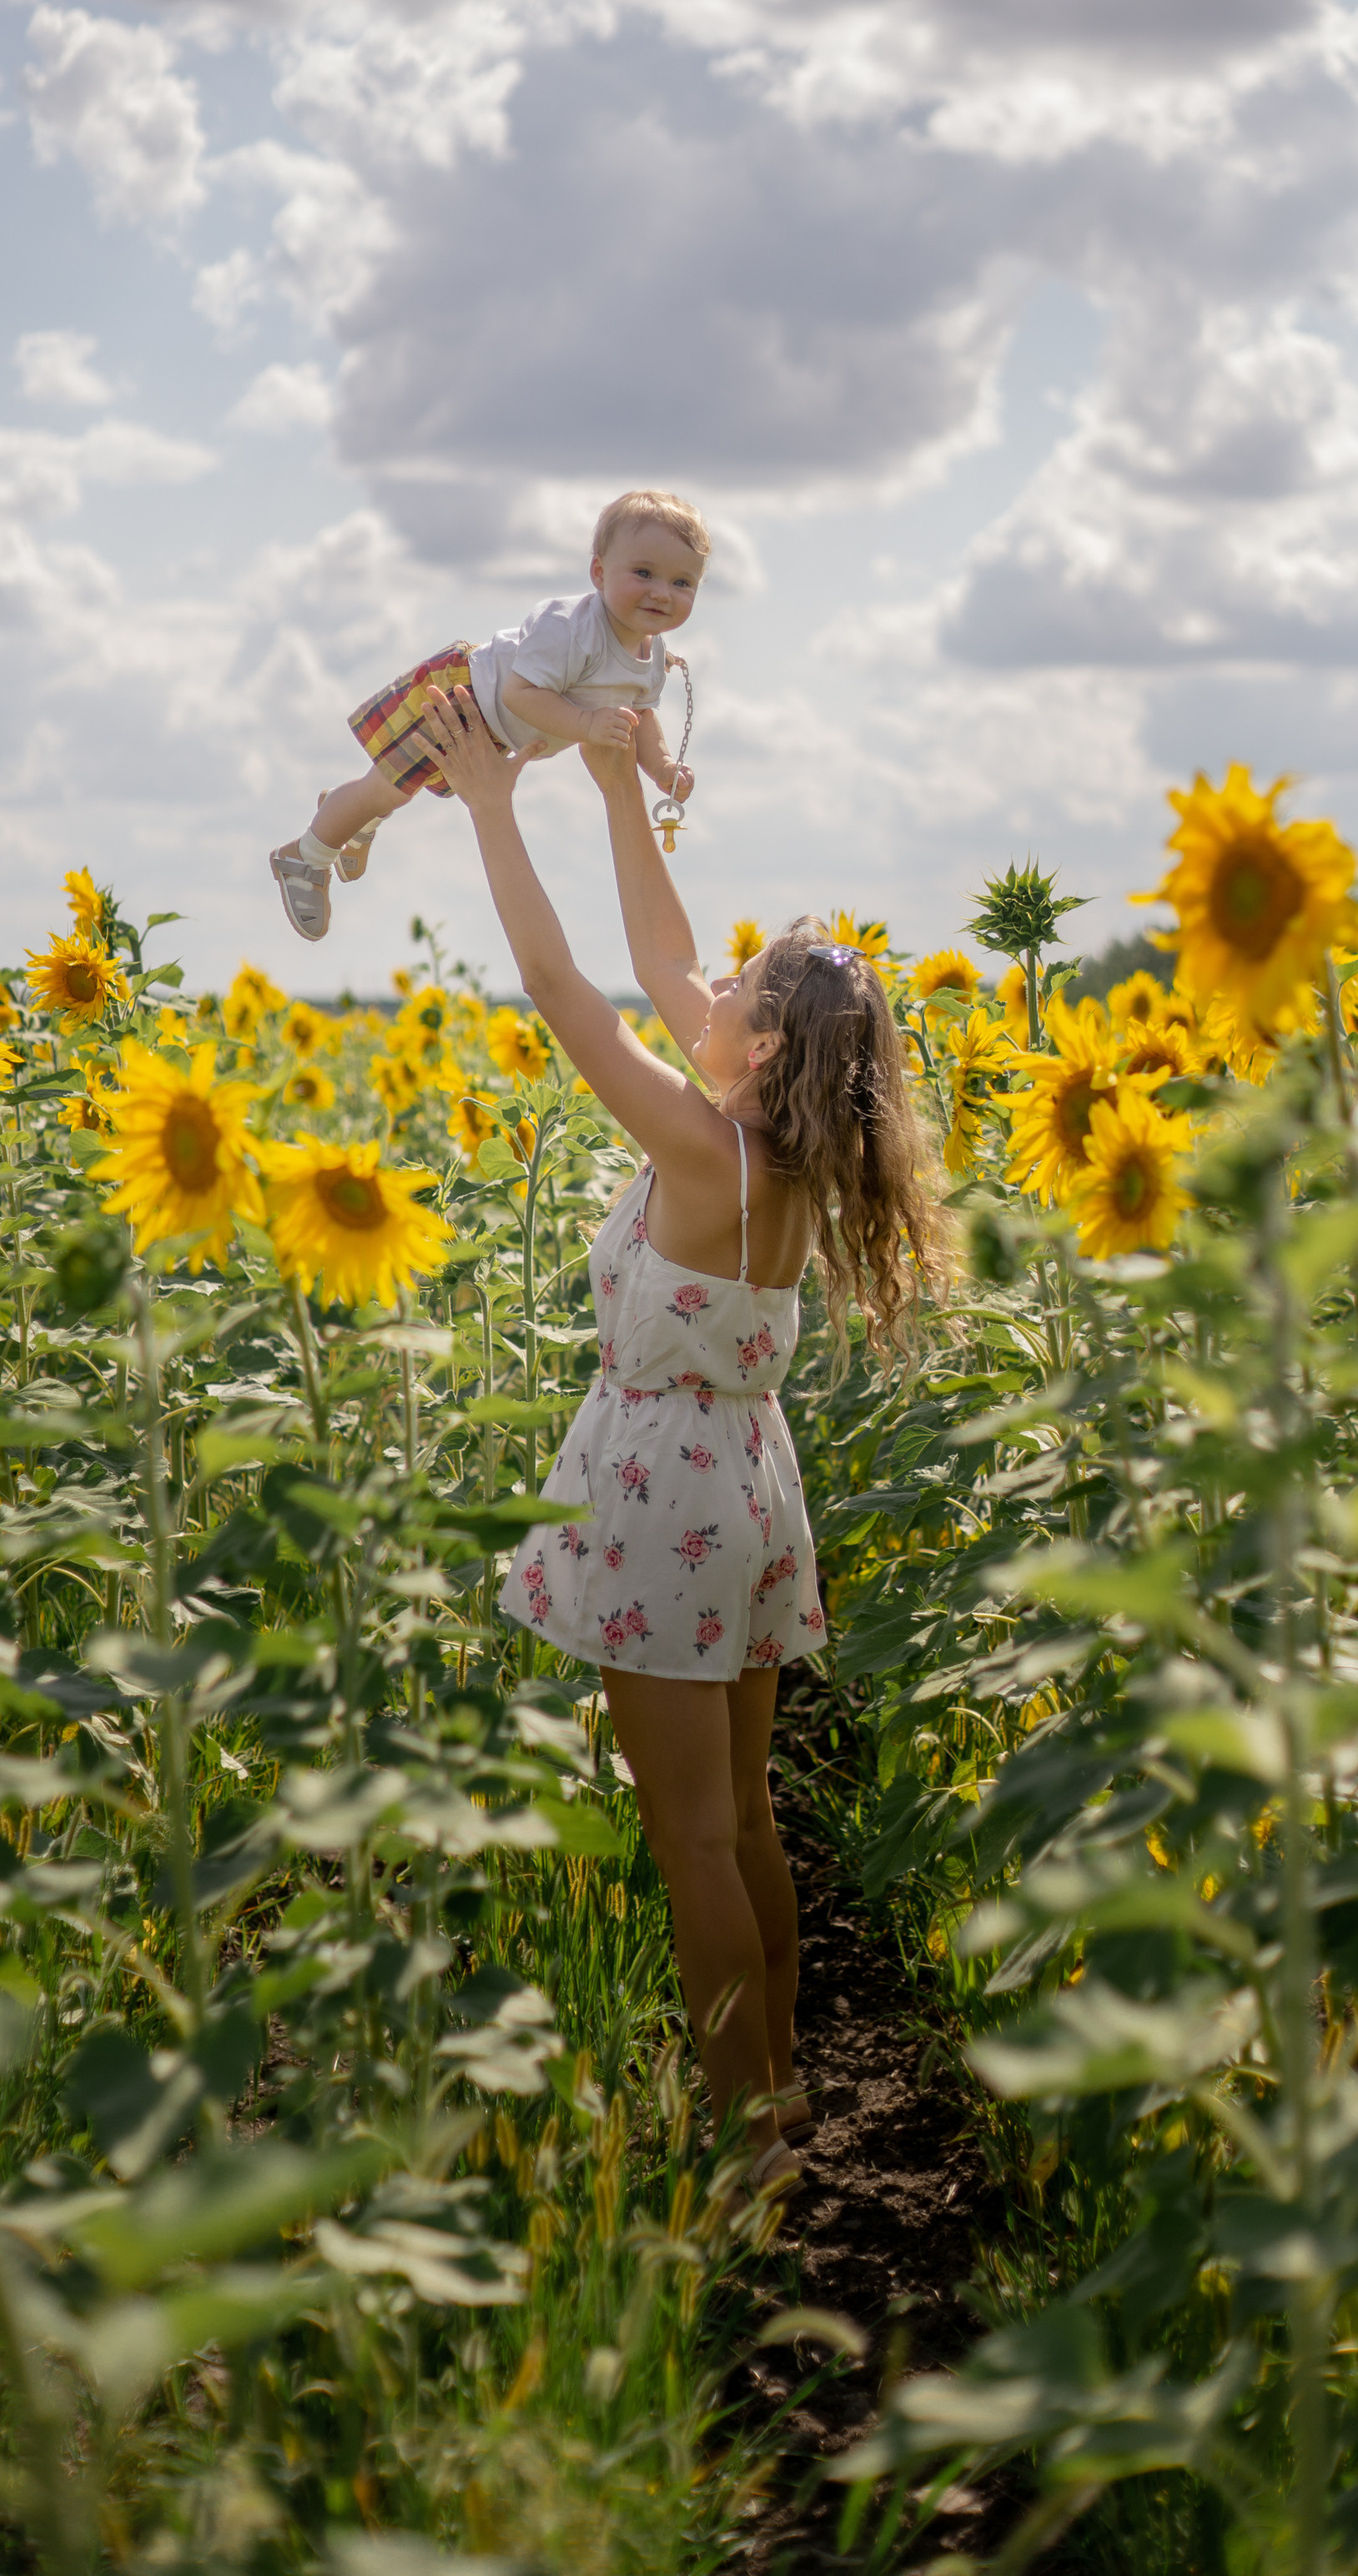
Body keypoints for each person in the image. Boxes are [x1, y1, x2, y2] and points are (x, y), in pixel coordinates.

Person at [414, 680, 949, 2193]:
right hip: (749, 1489)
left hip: (666, 1500)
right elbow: (656, 950)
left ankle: (746, 2143)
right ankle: (779, 2093)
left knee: (690, 1842)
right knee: (746, 1820)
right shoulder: (777, 1157)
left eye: (735, 991)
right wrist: (610, 784)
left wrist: (495, 808)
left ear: (759, 1048)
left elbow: (567, 985)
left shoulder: (702, 1147)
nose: (700, 988)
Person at [269, 488, 707, 941]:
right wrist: (587, 726)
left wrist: (662, 766)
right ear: (599, 571)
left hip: (493, 731)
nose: (662, 593)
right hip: (462, 699)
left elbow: (645, 716)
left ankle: (353, 815)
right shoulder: (571, 627)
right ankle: (305, 857)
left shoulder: (653, 654)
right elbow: (521, 693)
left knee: (392, 790)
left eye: (682, 582)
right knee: (385, 788)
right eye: (643, 573)